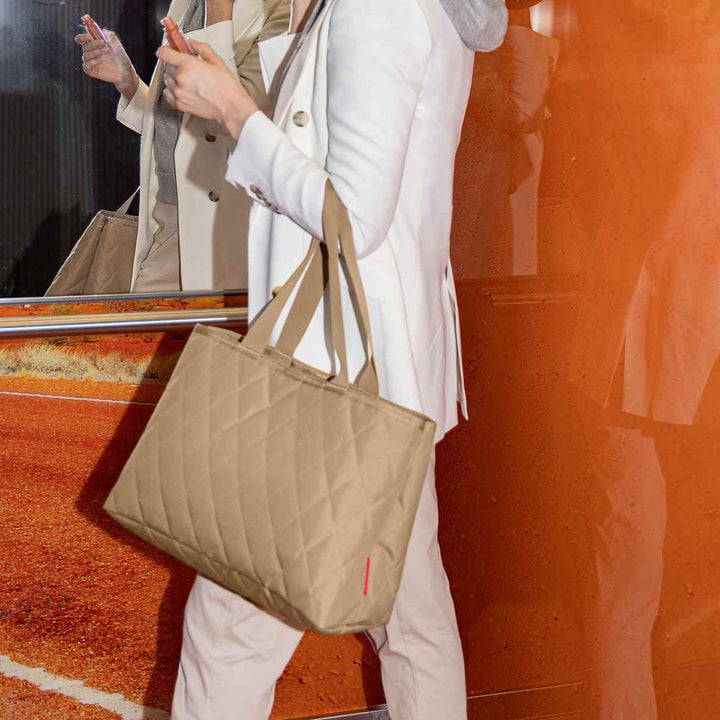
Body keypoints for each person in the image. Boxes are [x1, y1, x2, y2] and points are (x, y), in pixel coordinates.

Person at [148, 0, 507, 717]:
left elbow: (354, 216)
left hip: (333, 377)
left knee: (230, 632)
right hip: (381, 374)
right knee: (412, 624)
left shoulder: (378, 6)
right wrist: (238, 104)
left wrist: (236, 113)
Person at [75, 0, 292, 293]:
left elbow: (244, 127)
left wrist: (219, 13)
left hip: (227, 229)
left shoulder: (284, 8)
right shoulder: (186, 3)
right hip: (168, 216)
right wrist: (129, 83)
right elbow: (180, 125)